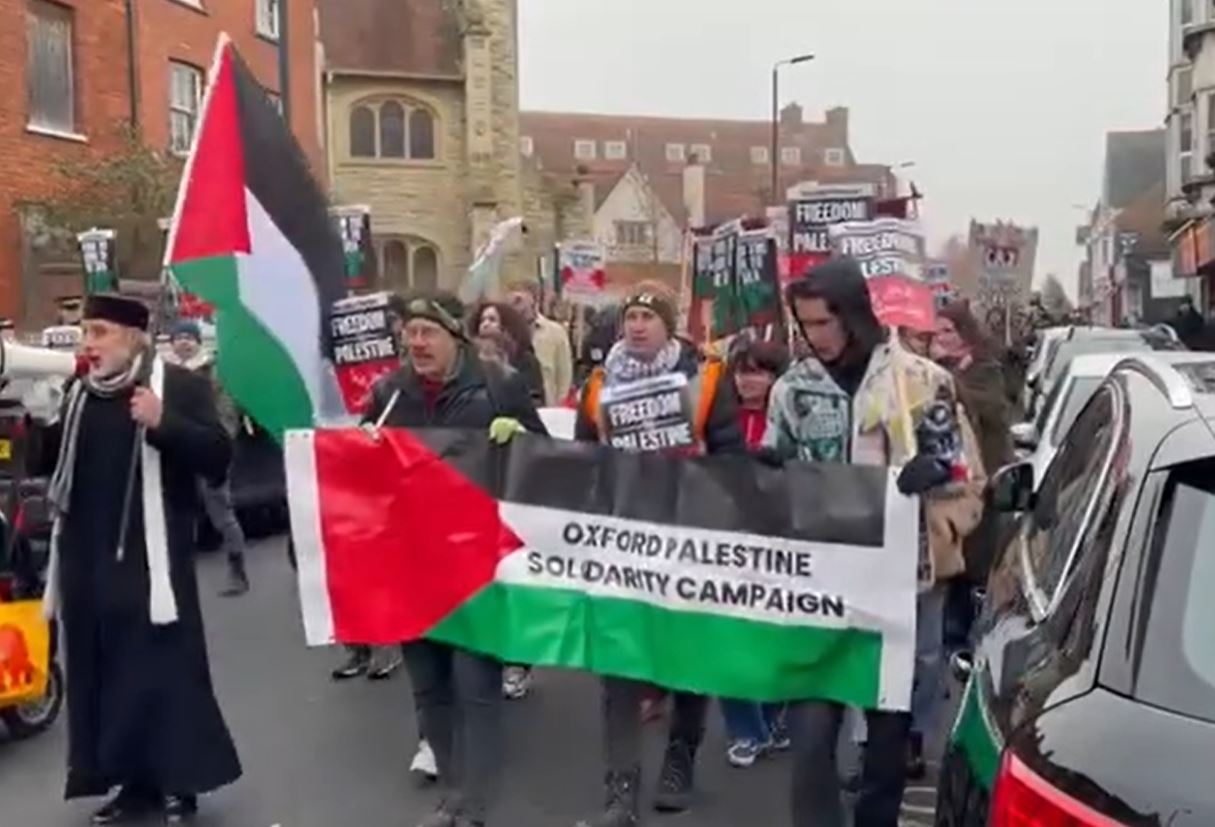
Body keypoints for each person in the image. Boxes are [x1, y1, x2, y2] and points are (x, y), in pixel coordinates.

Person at [764, 261, 984, 827]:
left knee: (886, 745)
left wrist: (933, 480)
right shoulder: (793, 390)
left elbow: (963, 475)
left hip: (897, 592)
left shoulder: (922, 382)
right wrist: (764, 473)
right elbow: (772, 475)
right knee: (811, 735)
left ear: (854, 314)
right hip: (820, 589)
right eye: (805, 324)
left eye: (824, 322)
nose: (817, 337)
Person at [44, 294, 241, 825]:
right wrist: (39, 417)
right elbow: (51, 467)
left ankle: (181, 782)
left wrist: (164, 423)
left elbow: (218, 458)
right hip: (87, 557)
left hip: (153, 563)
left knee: (164, 670)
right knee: (107, 674)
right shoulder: (77, 393)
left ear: (133, 336)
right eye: (86, 331)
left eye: (101, 331)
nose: (89, 342)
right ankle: (133, 783)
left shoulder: (175, 386)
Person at [365, 291, 546, 827]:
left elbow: (543, 458)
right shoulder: (390, 393)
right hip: (412, 565)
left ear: (454, 337)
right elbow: (361, 466)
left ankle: (473, 805)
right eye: (411, 334)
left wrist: (520, 440)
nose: (417, 344)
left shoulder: (497, 384)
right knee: (430, 690)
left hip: (478, 566)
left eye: (428, 334)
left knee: (475, 687)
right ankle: (451, 793)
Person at [573, 281, 745, 827]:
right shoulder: (598, 385)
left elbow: (732, 457)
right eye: (632, 316)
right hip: (622, 545)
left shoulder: (708, 380)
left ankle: (680, 759)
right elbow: (580, 460)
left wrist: (702, 472)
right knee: (618, 666)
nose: (638, 325)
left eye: (649, 315)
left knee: (688, 658)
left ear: (669, 325)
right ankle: (619, 788)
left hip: (689, 540)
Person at [719, 336, 790, 767]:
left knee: (775, 637)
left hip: (779, 541)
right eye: (742, 370)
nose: (749, 380)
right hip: (726, 539)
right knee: (730, 636)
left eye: (759, 371)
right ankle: (745, 730)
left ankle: (771, 716)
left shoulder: (789, 418)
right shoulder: (717, 416)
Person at [164, 319, 250, 597]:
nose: (184, 342)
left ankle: (237, 570)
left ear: (198, 342)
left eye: (189, 337)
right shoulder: (169, 376)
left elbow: (226, 412)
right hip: (179, 453)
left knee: (221, 512)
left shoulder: (213, 374)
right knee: (179, 516)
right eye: (179, 337)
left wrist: (222, 444)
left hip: (209, 451)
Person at [506, 280, 573, 406]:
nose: (515, 306)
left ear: (533, 299)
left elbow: (565, 376)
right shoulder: (505, 333)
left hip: (548, 408)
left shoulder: (555, 332)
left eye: (519, 300)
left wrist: (558, 407)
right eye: (511, 302)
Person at [468, 301, 546, 407]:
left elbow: (535, 397)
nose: (485, 324)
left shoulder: (525, 359)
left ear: (506, 324)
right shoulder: (471, 357)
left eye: (492, 320)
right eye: (482, 320)